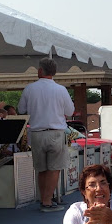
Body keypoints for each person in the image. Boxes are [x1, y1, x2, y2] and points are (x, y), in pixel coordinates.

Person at [18, 57, 74, 212]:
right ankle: (48, 201)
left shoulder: (30, 88)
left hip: (36, 133)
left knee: (41, 169)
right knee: (54, 168)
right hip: (56, 132)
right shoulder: (61, 90)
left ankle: (44, 199)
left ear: (40, 71)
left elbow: (21, 110)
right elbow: (70, 111)